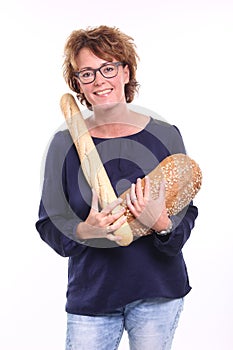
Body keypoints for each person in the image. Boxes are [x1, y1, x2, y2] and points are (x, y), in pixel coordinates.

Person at [36, 25, 198, 350]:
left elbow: (186, 214)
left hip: (157, 292)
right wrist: (85, 230)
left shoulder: (166, 136)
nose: (99, 80)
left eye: (108, 68)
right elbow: (48, 222)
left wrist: (161, 222)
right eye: (86, 73)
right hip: (92, 296)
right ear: (77, 83)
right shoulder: (63, 144)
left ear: (125, 72)